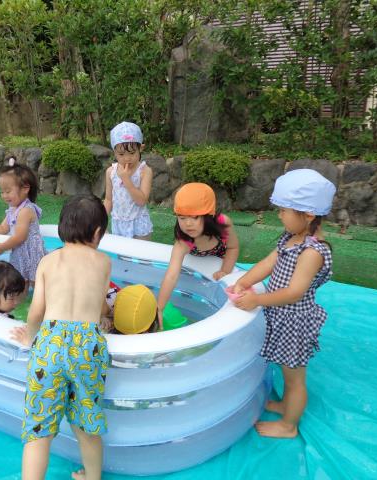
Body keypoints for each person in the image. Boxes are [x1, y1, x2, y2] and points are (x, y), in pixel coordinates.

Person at [11, 194, 111, 480]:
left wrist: (30, 338)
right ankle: (92, 478)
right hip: (88, 347)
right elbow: (99, 304)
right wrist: (106, 317)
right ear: (97, 233)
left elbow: (36, 312)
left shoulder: (47, 261)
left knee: (38, 431)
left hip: (50, 344)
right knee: (87, 424)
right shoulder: (103, 262)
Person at [231, 169, 336, 439]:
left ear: (308, 214)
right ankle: (285, 405)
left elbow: (294, 293)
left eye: (283, 210)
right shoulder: (291, 238)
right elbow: (269, 263)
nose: (279, 216)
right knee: (287, 371)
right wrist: (244, 281)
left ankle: (289, 425)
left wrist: (257, 299)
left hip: (294, 322)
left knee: (294, 378)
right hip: (281, 316)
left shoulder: (312, 251)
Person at [156, 183, 239, 328]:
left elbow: (233, 247)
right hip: (196, 258)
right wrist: (159, 308)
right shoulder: (183, 242)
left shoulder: (223, 223)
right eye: (182, 218)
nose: (188, 224)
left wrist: (225, 271)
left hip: (219, 257)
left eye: (194, 217)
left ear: (209, 215)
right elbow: (171, 276)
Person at [0, 162, 46, 285]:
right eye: (2, 192)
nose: (4, 195)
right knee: (20, 282)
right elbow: (3, 228)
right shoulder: (13, 209)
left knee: (36, 282)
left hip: (31, 254)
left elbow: (20, 237)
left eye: (8, 191)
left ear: (25, 188)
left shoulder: (25, 211)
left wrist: (2, 247)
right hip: (19, 253)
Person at [103, 121, 153, 240]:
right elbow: (108, 200)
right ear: (114, 152)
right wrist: (100, 220)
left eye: (132, 153)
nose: (127, 158)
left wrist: (126, 180)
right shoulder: (111, 172)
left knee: (141, 252)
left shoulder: (144, 171)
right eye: (121, 154)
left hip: (139, 226)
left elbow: (142, 201)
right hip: (118, 225)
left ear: (140, 148)